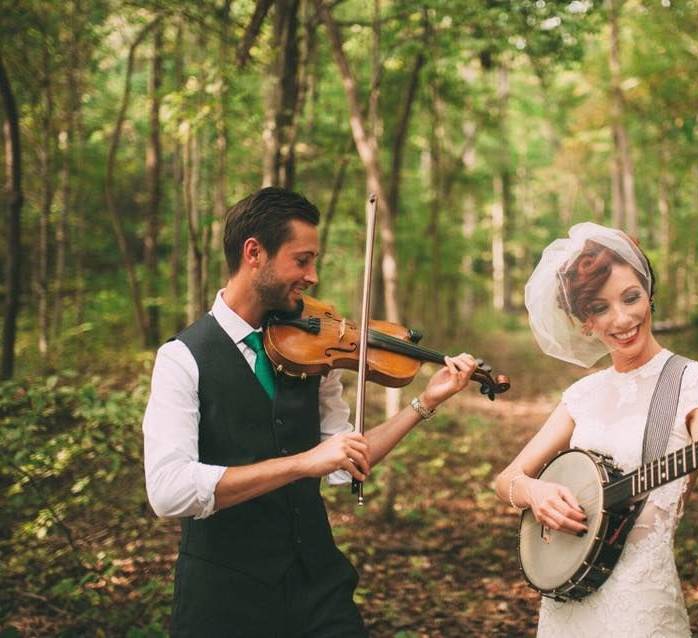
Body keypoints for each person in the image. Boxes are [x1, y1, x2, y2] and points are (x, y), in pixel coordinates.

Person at [143, 187, 477, 637]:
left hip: (318, 587)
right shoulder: (181, 358)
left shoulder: (311, 352)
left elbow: (344, 461)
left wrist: (425, 402)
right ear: (254, 253)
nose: (313, 276)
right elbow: (168, 491)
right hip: (224, 599)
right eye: (302, 260)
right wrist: (302, 464)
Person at [494, 222, 698, 637]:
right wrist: (535, 491)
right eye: (599, 308)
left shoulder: (696, 384)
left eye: (631, 298)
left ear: (649, 292)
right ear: (584, 321)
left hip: (642, 613)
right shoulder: (583, 394)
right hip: (565, 608)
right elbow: (506, 479)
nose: (621, 319)